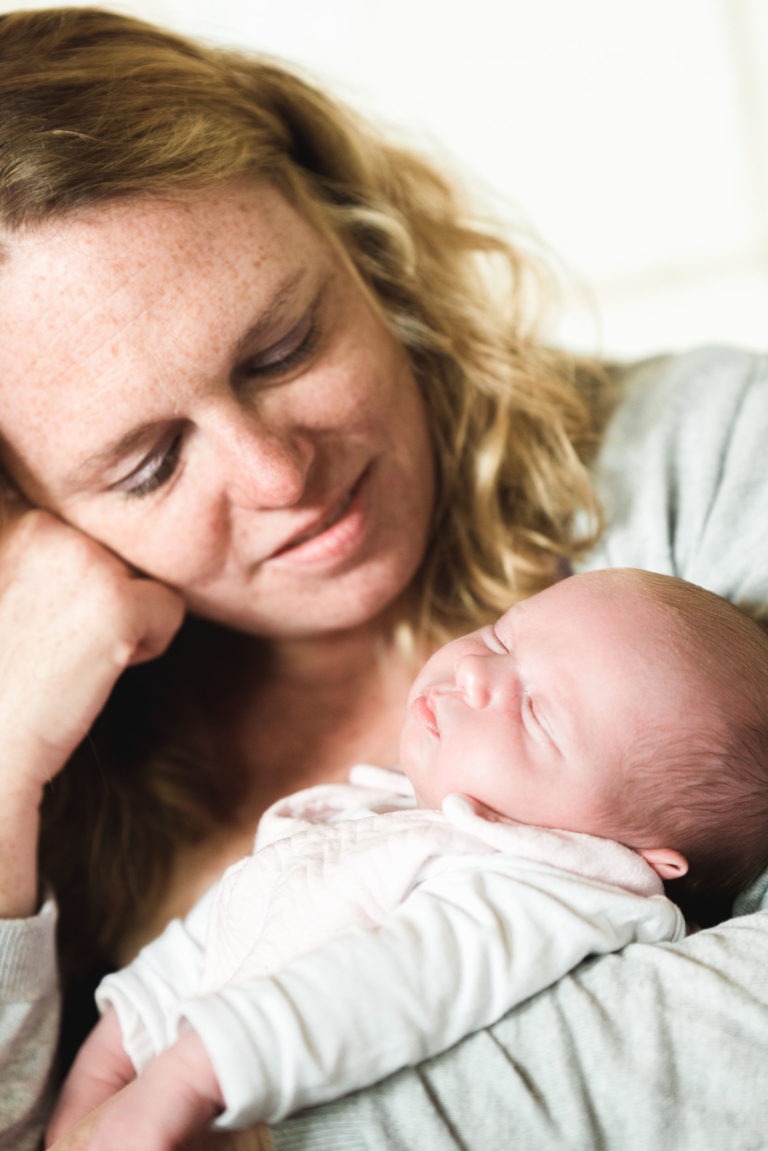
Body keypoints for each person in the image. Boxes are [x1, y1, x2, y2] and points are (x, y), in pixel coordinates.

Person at [0, 7, 766, 1151]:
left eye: (284, 347)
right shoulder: (58, 763)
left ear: (363, 244)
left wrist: (251, 1123)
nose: (279, 474)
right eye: (151, 463)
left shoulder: (705, 455)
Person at [46, 568, 768, 1150]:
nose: (478, 673)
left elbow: (390, 978)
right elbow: (228, 918)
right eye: (503, 634)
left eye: (540, 714)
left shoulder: (549, 893)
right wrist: (115, 1050)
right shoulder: (390, 814)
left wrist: (184, 1077)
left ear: (644, 855)